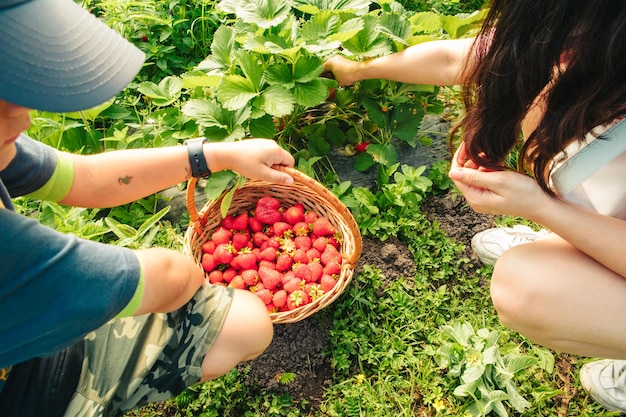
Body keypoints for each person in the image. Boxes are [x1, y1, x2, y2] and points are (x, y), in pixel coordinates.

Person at [324, 0, 626, 412]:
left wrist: (541, 207)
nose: (563, 50)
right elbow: (456, 58)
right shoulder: (577, 52)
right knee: (538, 86)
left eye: (575, 39)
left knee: (526, 287)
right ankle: (570, 239)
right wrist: (358, 69)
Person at [0, 0, 296, 415]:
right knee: (244, 321)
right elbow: (171, 277)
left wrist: (217, 156)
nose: (24, 119)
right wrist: (196, 272)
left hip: (25, 343)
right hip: (27, 396)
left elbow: (86, 179)